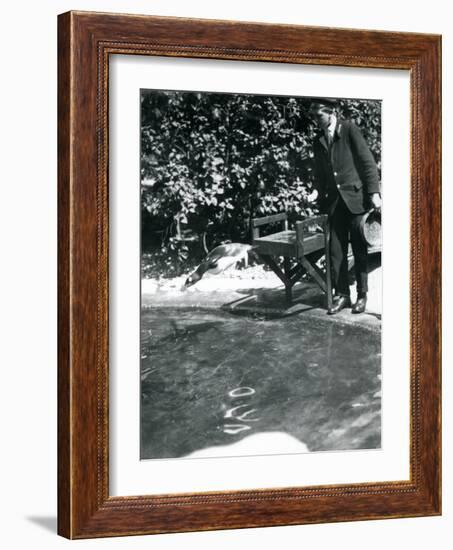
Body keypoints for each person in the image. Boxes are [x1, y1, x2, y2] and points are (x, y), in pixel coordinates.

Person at [308, 98, 381, 314]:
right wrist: (316, 190)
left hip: (356, 200)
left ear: (330, 113)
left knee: (359, 250)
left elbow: (367, 162)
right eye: (312, 117)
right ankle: (342, 295)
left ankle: (362, 295)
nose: (315, 121)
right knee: (335, 251)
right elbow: (320, 173)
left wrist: (374, 193)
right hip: (334, 204)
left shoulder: (348, 129)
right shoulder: (318, 140)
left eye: (318, 116)